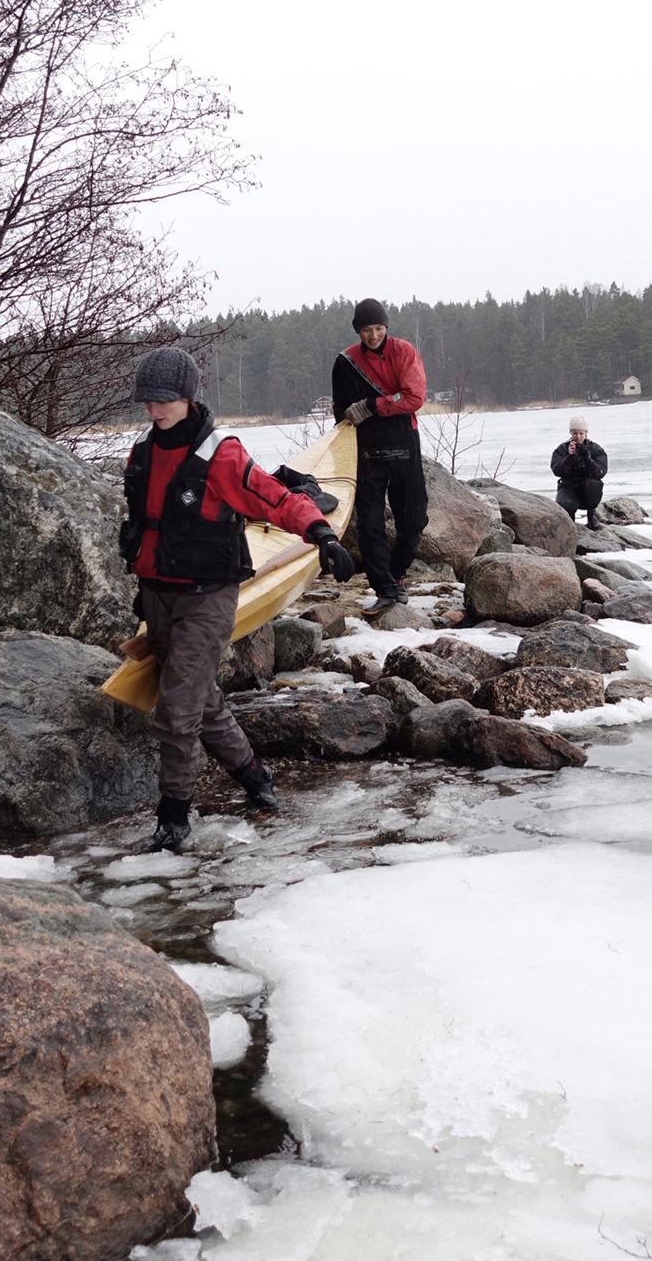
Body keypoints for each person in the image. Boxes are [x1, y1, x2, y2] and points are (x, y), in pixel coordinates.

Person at [120, 346, 355, 853]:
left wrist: (322, 535)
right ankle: (255, 776)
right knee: (201, 702)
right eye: (148, 401)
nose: (155, 410)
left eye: (165, 400)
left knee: (178, 708)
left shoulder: (221, 455)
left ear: (188, 397)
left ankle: (173, 821)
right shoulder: (142, 449)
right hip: (158, 595)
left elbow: (275, 497)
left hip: (209, 597)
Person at [332, 298, 429, 616]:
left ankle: (396, 575)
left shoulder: (404, 352)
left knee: (414, 519)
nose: (373, 335)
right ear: (358, 330)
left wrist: (374, 406)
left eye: (378, 328)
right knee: (370, 525)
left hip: (404, 443)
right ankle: (384, 588)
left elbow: (414, 397)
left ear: (386, 327)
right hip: (366, 450)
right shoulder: (346, 362)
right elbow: (341, 413)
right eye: (366, 329)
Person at [551, 415, 608, 529]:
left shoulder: (595, 449)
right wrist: (570, 457)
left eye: (581, 433)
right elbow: (557, 470)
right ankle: (570, 520)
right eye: (575, 433)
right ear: (570, 433)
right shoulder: (562, 449)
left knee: (595, 484)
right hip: (569, 486)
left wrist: (588, 459)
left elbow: (601, 472)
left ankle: (591, 515)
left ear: (586, 433)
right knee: (565, 503)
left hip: (588, 487)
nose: (578, 437)